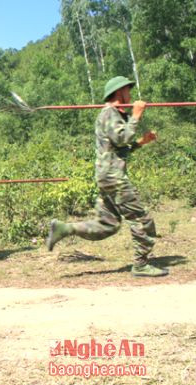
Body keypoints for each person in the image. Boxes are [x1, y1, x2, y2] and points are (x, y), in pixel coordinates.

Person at [47, 76, 167, 277]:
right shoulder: (109, 113)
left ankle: (64, 228)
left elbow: (121, 147)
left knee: (107, 224)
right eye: (128, 90)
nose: (130, 94)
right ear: (120, 92)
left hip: (107, 176)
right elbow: (122, 138)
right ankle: (141, 265)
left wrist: (142, 142)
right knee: (141, 219)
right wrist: (137, 115)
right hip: (114, 177)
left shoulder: (117, 116)